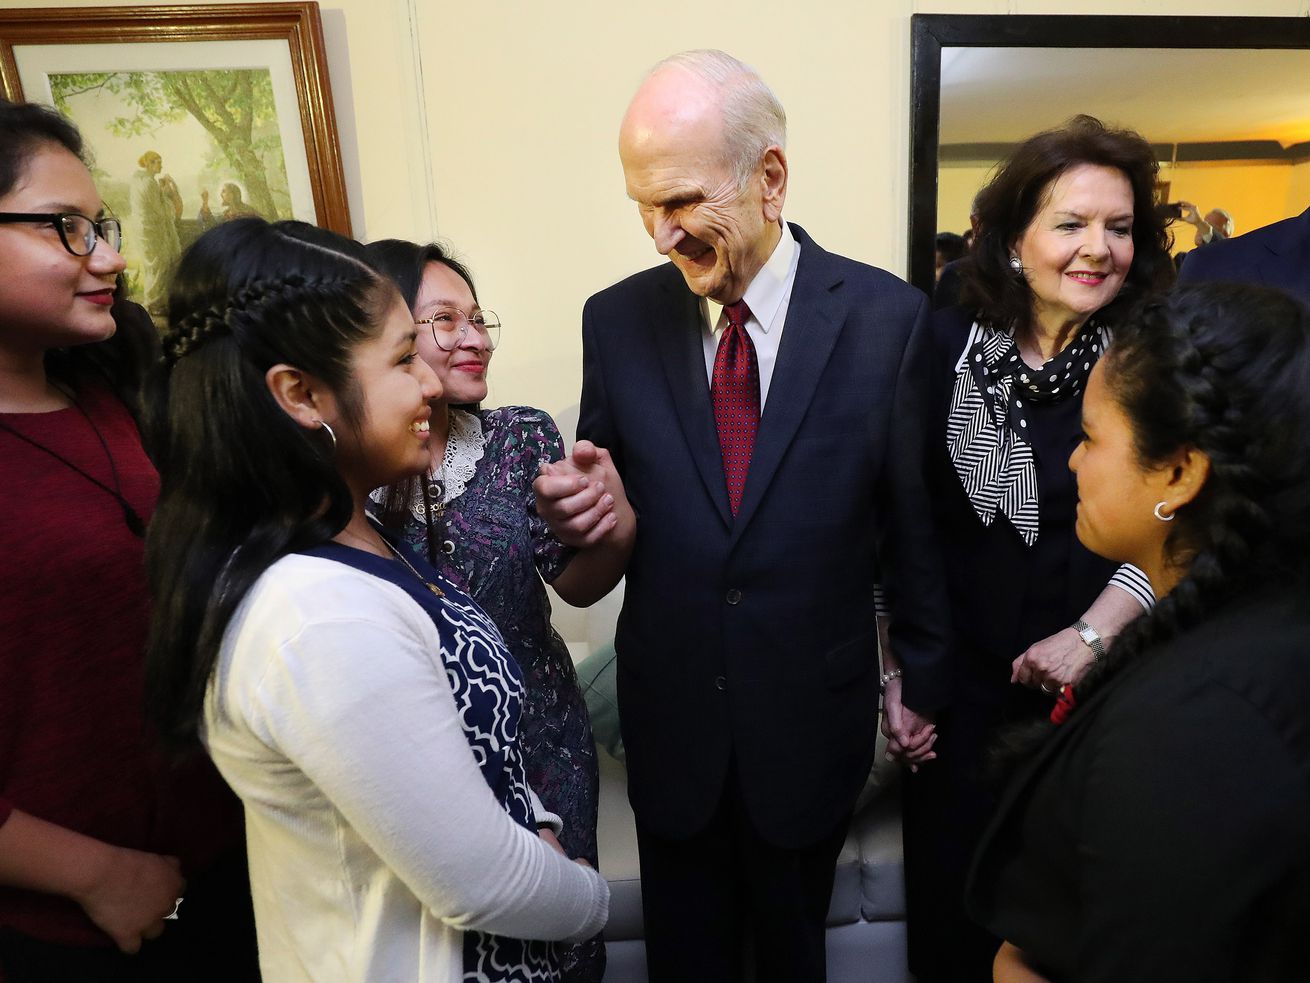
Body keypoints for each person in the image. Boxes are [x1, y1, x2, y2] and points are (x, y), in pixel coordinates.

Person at [535, 49, 949, 983]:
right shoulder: (617, 320)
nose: (659, 234)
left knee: (793, 959)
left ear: (769, 178)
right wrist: (588, 519)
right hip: (671, 723)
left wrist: (919, 673)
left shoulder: (888, 318)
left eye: (681, 202)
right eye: (643, 205)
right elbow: (604, 545)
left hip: (812, 722)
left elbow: (913, 526)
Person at [143, 217, 609, 982]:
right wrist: (592, 900)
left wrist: (541, 822)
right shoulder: (314, 614)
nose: (431, 379)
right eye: (403, 358)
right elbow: (478, 879)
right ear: (299, 393)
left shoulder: (356, 537)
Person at [969, 283, 1310, 983]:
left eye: (1092, 438)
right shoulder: (1244, 617)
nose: (1072, 462)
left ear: (1180, 472)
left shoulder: (1196, 724)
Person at [906, 114, 1174, 983]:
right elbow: (898, 521)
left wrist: (1092, 636)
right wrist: (896, 678)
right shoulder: (940, 345)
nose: (1099, 248)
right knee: (955, 931)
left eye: (1120, 227)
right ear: (1015, 242)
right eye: (1071, 224)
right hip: (960, 704)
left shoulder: (1153, 360)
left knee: (1077, 932)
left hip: (1108, 694)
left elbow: (1184, 520)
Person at [0, 100, 255, 982]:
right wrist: (97, 874)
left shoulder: (113, 385)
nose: (107, 255)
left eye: (100, 224)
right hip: (74, 919)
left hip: (218, 863)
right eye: (63, 229)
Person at [364, 238, 634, 983]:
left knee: (565, 946)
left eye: (479, 319)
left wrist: (618, 525)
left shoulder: (519, 437)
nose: (475, 338)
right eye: (444, 320)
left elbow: (576, 585)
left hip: (545, 739)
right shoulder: (348, 471)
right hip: (424, 760)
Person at [1178, 204, 1310, 305]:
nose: (1203, 229)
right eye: (1205, 224)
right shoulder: (1208, 267)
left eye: (1212, 227)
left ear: (1227, 233)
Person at [128, 150, 182, 316]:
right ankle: (153, 303)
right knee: (158, 265)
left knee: (156, 265)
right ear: (148, 164)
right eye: (157, 161)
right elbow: (161, 212)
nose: (161, 164)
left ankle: (157, 302)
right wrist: (168, 194)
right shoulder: (148, 183)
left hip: (147, 229)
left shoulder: (139, 180)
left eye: (160, 161)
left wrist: (162, 193)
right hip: (152, 230)